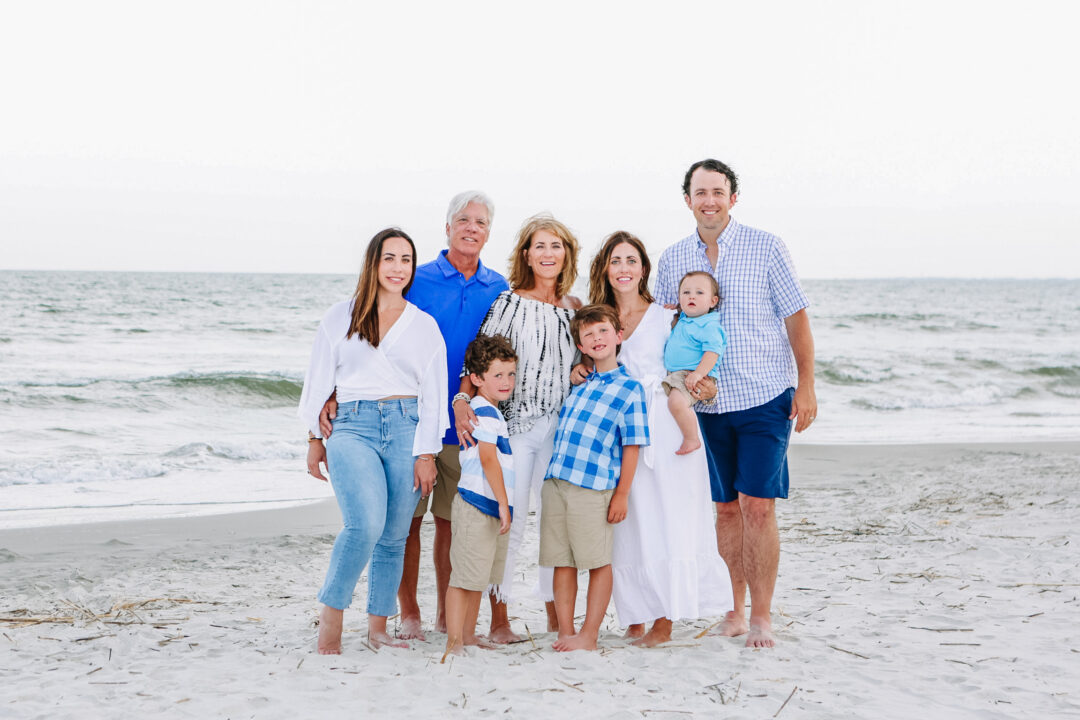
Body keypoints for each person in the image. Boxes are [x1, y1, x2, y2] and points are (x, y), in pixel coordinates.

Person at [318, 192, 507, 641]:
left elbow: (502, 349)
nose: (471, 228)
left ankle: (446, 616)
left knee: (450, 522)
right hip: (411, 421)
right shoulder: (415, 278)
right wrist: (331, 393)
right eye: (463, 219)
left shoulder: (499, 287)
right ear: (447, 227)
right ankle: (409, 615)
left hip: (463, 424)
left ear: (488, 231)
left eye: (480, 222)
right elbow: (358, 333)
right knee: (405, 526)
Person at [654, 159, 818, 648]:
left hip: (764, 396)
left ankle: (763, 616)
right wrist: (678, 382)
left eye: (718, 191)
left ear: (733, 197)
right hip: (703, 409)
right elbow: (665, 329)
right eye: (700, 192)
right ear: (687, 199)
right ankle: (735, 608)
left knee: (759, 507)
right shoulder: (673, 258)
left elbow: (796, 319)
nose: (709, 200)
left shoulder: (766, 247)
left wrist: (806, 384)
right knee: (725, 511)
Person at [300, 228, 448, 654]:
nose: (398, 268)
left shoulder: (424, 325)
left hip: (407, 426)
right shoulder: (340, 316)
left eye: (406, 259)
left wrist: (427, 453)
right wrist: (314, 437)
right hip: (352, 425)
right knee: (363, 525)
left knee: (395, 534)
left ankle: (378, 628)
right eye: (390, 258)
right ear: (373, 263)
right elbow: (318, 380)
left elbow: (434, 395)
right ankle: (331, 619)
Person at [588, 232, 732, 648]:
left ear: (644, 269)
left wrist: (705, 386)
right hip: (621, 427)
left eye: (632, 260)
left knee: (669, 519)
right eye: (616, 260)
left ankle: (665, 621)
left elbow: (696, 357)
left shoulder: (666, 314)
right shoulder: (601, 317)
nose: (624, 268)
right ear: (605, 268)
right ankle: (636, 615)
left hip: (664, 426)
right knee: (631, 522)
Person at [457, 213, 583, 643]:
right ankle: (499, 620)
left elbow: (584, 360)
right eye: (540, 246)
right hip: (517, 430)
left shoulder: (574, 310)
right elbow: (479, 358)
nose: (548, 254)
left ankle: (555, 616)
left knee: (558, 523)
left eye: (557, 246)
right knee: (513, 522)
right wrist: (461, 400)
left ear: (567, 254)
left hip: (561, 430)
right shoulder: (509, 303)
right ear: (526, 254)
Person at [540, 303, 649, 651]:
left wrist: (621, 494)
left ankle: (589, 634)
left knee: (597, 561)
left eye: (603, 331)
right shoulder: (581, 384)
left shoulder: (630, 389)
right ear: (582, 348)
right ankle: (566, 631)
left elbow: (632, 445)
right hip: (557, 481)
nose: (597, 338)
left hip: (594, 487)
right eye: (588, 335)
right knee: (563, 560)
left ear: (618, 336)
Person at [443, 335, 517, 659]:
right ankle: (454, 641)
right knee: (463, 579)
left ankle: (468, 635)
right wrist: (503, 502)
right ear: (476, 379)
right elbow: (487, 459)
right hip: (477, 504)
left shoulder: (491, 411)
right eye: (497, 375)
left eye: (511, 374)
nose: (506, 382)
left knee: (478, 577)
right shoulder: (484, 412)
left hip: (485, 505)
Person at [662, 270, 726, 455]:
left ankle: (691, 439)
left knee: (676, 403)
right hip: (679, 374)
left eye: (699, 293)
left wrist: (698, 373)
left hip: (693, 374)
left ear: (713, 301)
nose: (692, 296)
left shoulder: (709, 325)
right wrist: (670, 312)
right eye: (686, 292)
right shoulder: (684, 319)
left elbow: (713, 351)